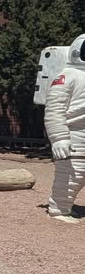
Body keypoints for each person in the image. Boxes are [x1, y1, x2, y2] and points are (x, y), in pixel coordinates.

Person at [44, 34, 85, 223]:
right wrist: (59, 137)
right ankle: (59, 208)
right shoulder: (67, 76)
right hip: (73, 136)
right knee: (72, 175)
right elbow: (54, 109)